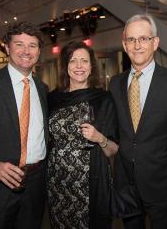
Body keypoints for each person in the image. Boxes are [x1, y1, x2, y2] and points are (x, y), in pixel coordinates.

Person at [109, 13, 167, 229]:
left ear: (155, 43)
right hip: (126, 182)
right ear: (124, 45)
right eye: (131, 40)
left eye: (143, 39)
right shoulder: (115, 84)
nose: (137, 45)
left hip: (162, 183)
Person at [47, 41, 118, 229]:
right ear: (65, 66)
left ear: (91, 67)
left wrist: (99, 138)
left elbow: (113, 149)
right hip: (57, 182)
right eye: (73, 61)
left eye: (84, 61)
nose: (79, 66)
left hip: (89, 183)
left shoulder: (103, 99)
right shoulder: (52, 99)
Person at [0, 21, 48, 229]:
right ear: (7, 48)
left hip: (36, 183)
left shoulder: (42, 89)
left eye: (32, 45)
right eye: (19, 44)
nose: (26, 51)